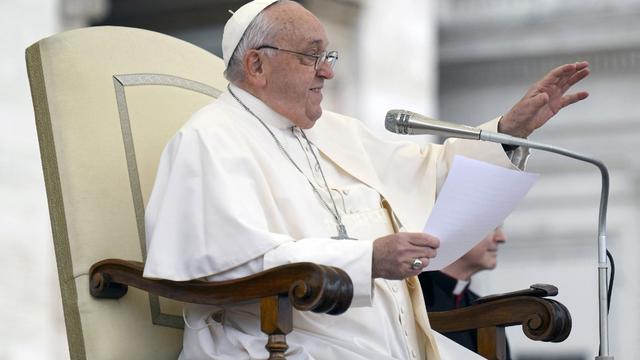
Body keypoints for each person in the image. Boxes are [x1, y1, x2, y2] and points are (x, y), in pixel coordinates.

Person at [142, 0, 590, 359]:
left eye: (328, 56)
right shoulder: (208, 140)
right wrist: (365, 260)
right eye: (311, 56)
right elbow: (218, 264)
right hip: (280, 342)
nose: (328, 71)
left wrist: (509, 131)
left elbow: (432, 177)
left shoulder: (337, 131)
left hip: (388, 341)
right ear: (257, 66)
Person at [419, 227, 511, 357]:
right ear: (456, 233)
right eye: (491, 227)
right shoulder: (411, 294)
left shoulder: (487, 310)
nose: (501, 238)